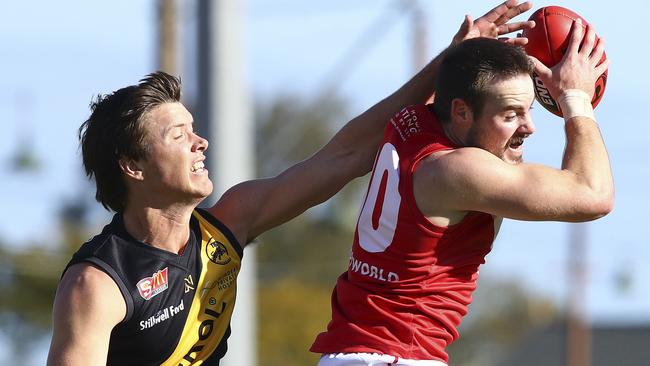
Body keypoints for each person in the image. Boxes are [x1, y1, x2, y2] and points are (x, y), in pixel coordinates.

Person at [46, 1, 535, 365]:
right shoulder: (97, 283)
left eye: (195, 129)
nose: (201, 142)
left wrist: (447, 65)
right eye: (180, 135)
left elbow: (344, 156)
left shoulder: (228, 223)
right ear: (133, 166)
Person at [310, 8, 613, 366]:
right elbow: (593, 195)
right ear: (461, 112)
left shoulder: (410, 120)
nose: (529, 126)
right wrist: (575, 98)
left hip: (352, 354)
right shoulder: (458, 170)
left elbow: (438, 89)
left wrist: (459, 54)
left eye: (529, 109)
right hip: (397, 357)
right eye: (510, 114)